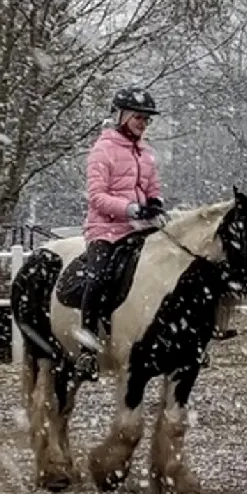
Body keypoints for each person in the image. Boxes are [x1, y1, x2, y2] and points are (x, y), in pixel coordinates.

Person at [75, 86, 167, 382]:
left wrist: (155, 203)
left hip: (141, 229)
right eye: (139, 117)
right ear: (121, 116)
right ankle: (87, 348)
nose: (143, 123)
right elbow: (97, 197)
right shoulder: (102, 150)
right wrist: (131, 209)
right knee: (97, 279)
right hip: (106, 229)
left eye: (146, 119)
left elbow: (153, 187)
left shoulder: (147, 153)